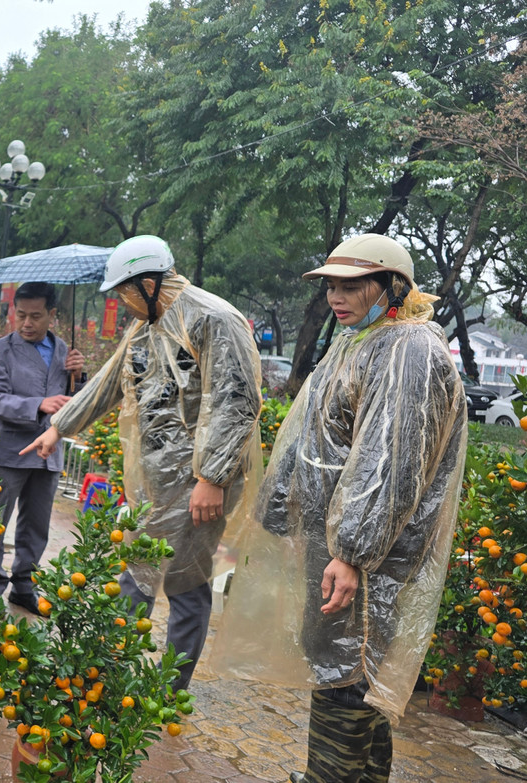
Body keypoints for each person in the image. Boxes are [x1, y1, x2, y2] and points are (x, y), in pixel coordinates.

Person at [210, 235, 466, 783]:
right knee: (342, 668)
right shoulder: (357, 342)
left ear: (393, 287)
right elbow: (310, 436)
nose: (335, 295)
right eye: (331, 284)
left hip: (372, 562)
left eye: (352, 284)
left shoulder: (409, 350)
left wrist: (352, 553)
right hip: (333, 548)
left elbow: (390, 464)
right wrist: (275, 515)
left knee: (347, 674)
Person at [21, 235, 263, 690]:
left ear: (148, 283)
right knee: (138, 570)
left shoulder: (214, 319)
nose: (120, 301)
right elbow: (111, 381)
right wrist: (58, 427)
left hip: (198, 484)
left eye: (123, 292)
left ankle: (163, 689)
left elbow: (236, 403)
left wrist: (211, 477)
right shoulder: (147, 325)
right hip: (154, 481)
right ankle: (109, 672)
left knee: (182, 584)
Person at [0, 282, 85, 612]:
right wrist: (39, 403)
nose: (26, 323)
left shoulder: (65, 350)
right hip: (9, 451)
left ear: (52, 314)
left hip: (48, 454)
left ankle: (25, 586)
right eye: (20, 314)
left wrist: (79, 377)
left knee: (36, 527)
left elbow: (73, 399)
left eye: (36, 316)